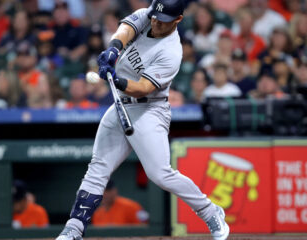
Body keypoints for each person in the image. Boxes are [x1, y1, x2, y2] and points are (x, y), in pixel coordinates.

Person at [55, 1, 230, 240]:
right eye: (155, 16)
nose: (156, 22)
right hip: (119, 107)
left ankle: (210, 211)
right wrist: (114, 50)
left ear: (177, 20)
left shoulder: (171, 51)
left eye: (163, 19)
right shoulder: (148, 15)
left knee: (160, 174)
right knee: (98, 168)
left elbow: (143, 88)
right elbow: (125, 31)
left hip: (149, 110)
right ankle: (73, 229)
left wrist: (117, 81)